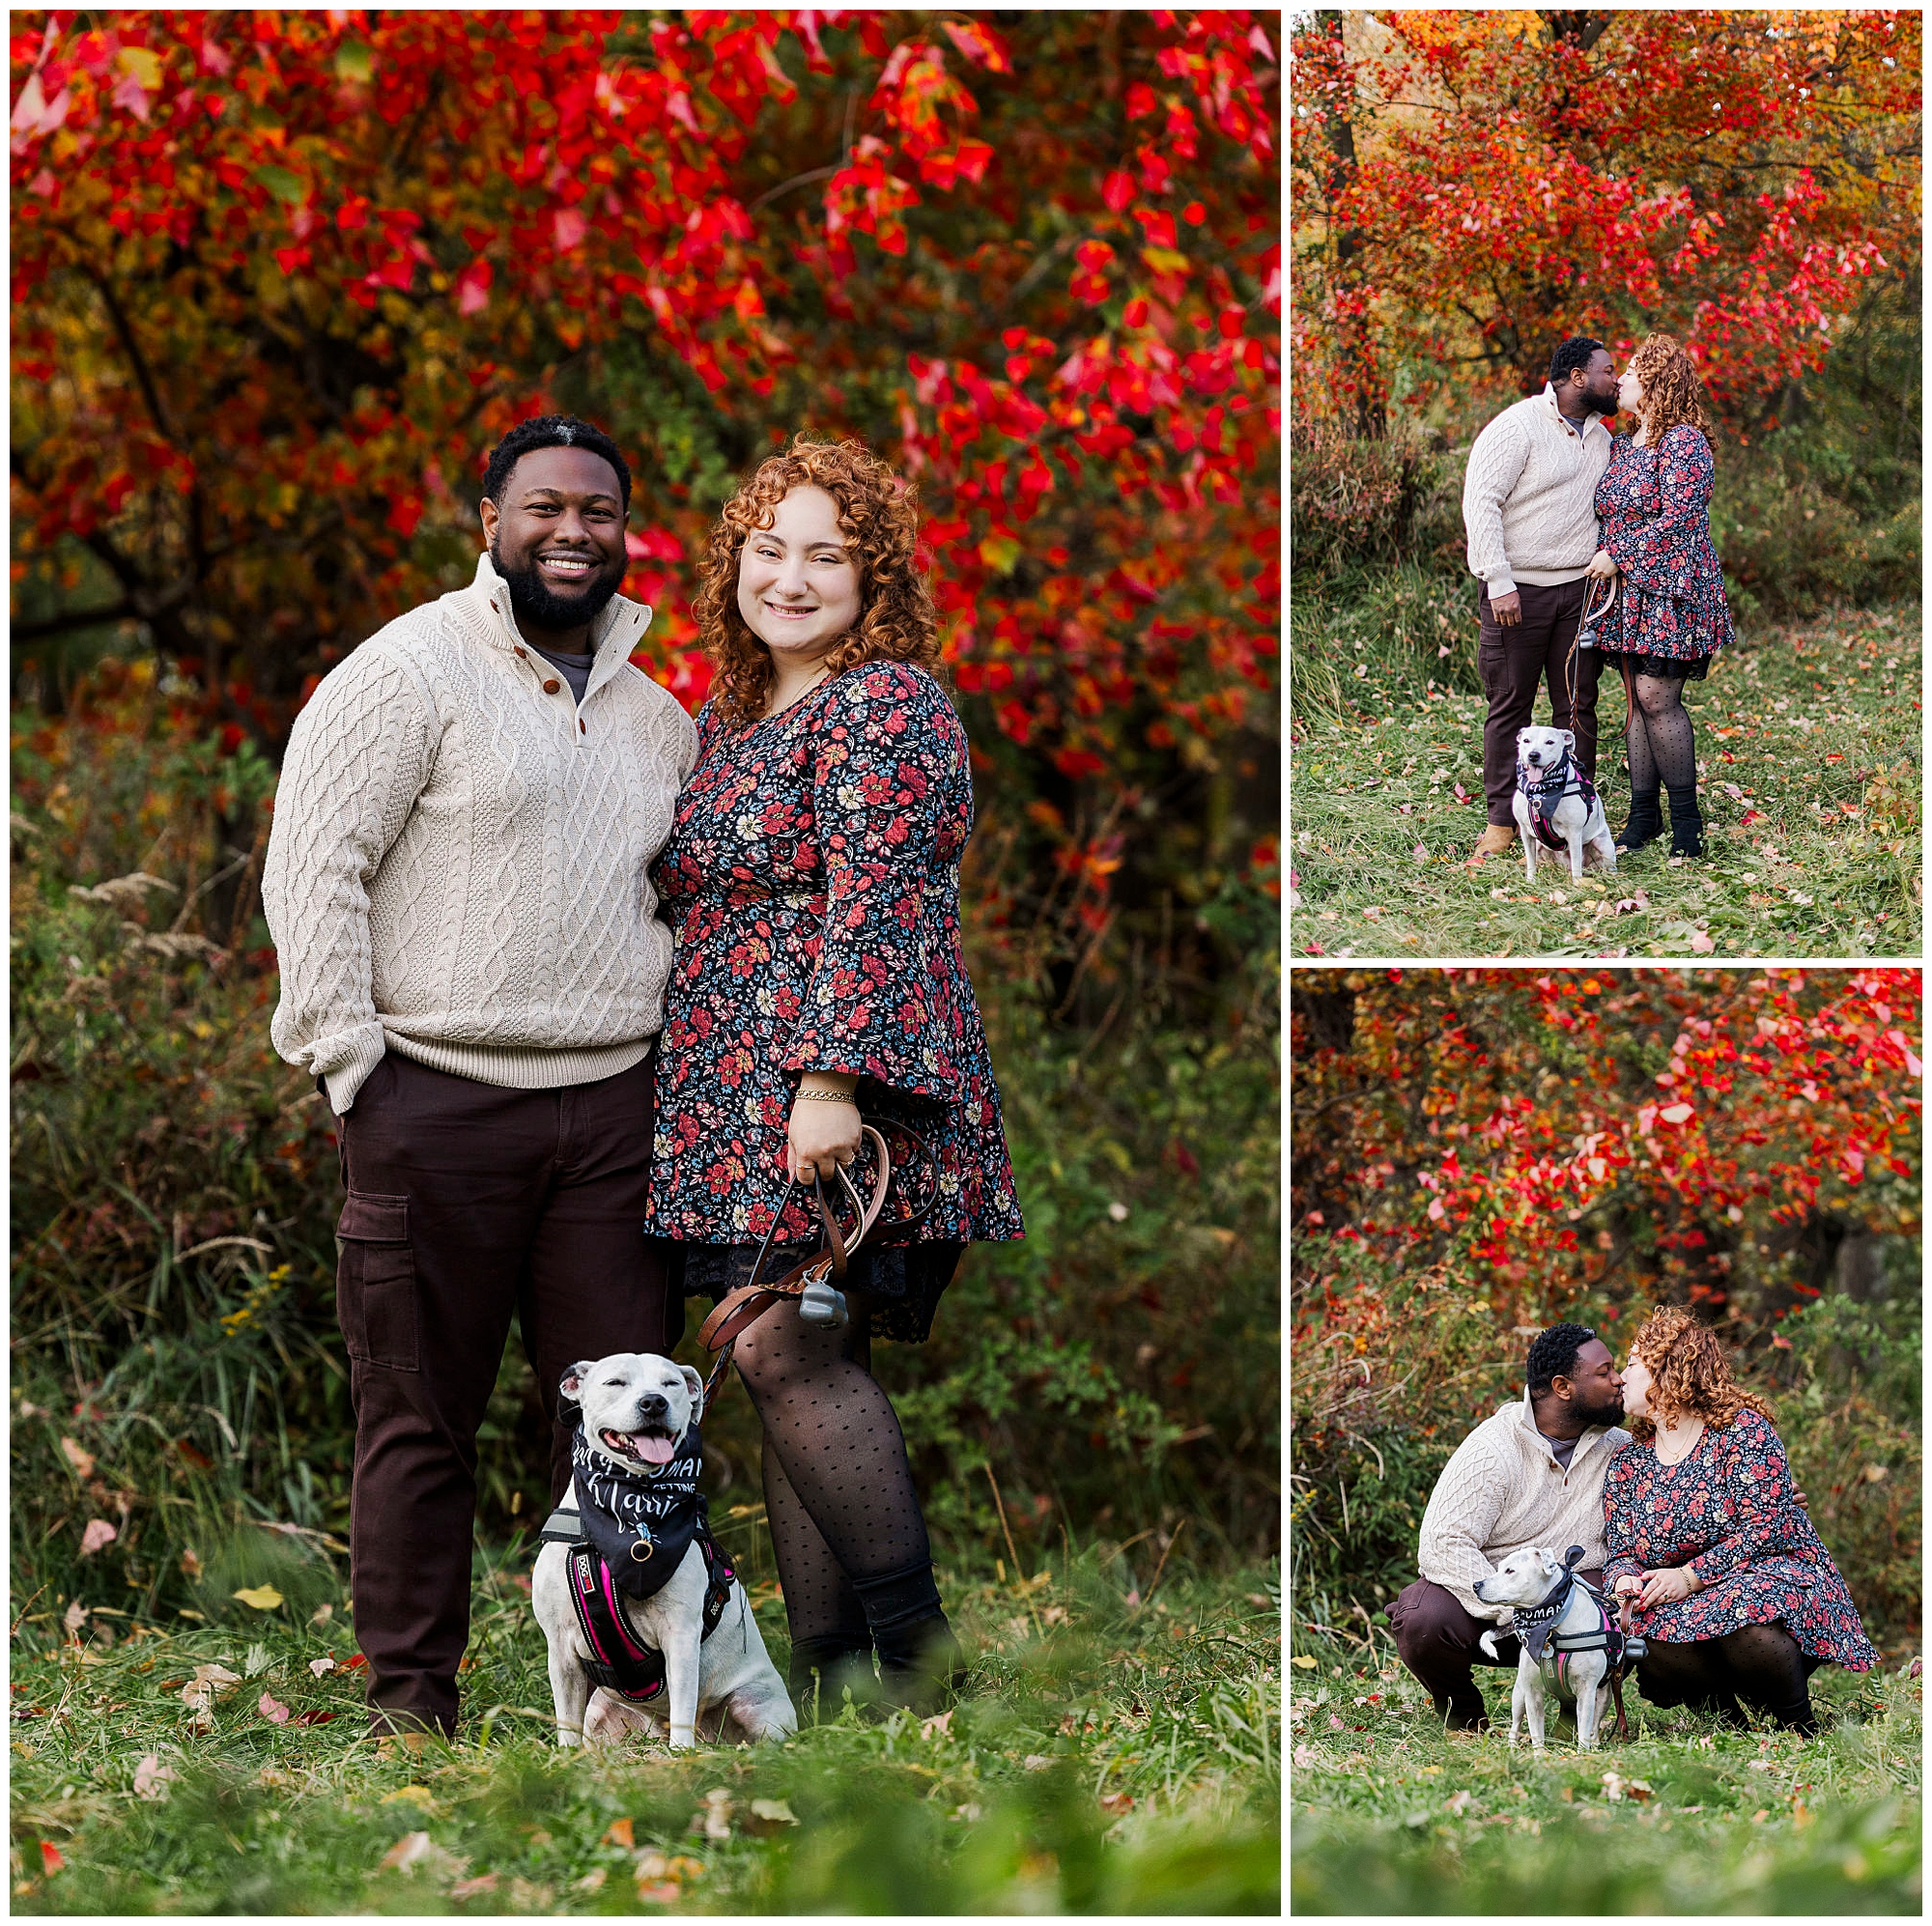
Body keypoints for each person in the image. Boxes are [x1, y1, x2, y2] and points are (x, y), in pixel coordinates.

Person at [263, 414, 697, 1739]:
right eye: (545, 507)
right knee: (418, 1419)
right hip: (431, 1100)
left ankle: (633, 1699)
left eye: (601, 512)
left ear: (627, 534)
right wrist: (356, 1076)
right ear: (489, 523)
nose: (574, 532)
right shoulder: (405, 674)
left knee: (636, 1436)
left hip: (614, 1112)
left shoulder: (658, 715)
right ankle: (411, 1705)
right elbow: (311, 871)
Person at [643, 436, 1025, 1717]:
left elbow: (880, 899)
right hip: (723, 1090)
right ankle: (832, 1674)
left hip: (823, 1081)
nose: (792, 577)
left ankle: (918, 1664)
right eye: (770, 549)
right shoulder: (728, 715)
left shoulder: (887, 705)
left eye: (827, 555)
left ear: (873, 581)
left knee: (781, 1345)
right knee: (785, 1354)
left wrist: (831, 1081)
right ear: (734, 562)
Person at [1605, 1306, 1878, 1734]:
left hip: (1767, 1570)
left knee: (1745, 1609)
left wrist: (1690, 1576)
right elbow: (1620, 1550)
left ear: (1669, 1373)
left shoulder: (1742, 1433)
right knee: (1647, 1631)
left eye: (1632, 1364)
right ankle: (1730, 1727)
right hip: (1682, 1594)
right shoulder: (1628, 1461)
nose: (1621, 1376)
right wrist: (1625, 1581)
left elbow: (1765, 1527)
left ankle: (1796, 1723)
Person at [1389, 1323, 1630, 1730]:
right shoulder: (1493, 1448)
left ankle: (1573, 1716)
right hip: (1493, 1603)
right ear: (1563, 1387)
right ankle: (1463, 1717)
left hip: (1578, 1602)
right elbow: (1442, 1543)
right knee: (1420, 1619)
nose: (1618, 1379)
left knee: (1626, 1598)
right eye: (1604, 1371)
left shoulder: (1621, 1447)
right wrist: (1515, 1604)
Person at [1461, 338, 1621, 861]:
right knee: (1510, 704)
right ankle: (1503, 821)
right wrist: (1498, 578)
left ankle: (1574, 813)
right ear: (1578, 377)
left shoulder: (1601, 437)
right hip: (1518, 592)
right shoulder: (1517, 426)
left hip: (1578, 591)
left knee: (1577, 705)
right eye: (1607, 371)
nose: (1615, 380)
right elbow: (1481, 500)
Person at [1584, 334, 1735, 858]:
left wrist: (1619, 555)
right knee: (1634, 701)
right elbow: (1608, 514)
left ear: (1655, 383)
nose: (1620, 379)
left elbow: (1678, 521)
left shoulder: (1685, 443)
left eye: (1629, 372)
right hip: (1628, 595)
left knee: (1657, 699)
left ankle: (1688, 827)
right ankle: (1643, 817)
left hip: (1672, 590)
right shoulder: (1623, 445)